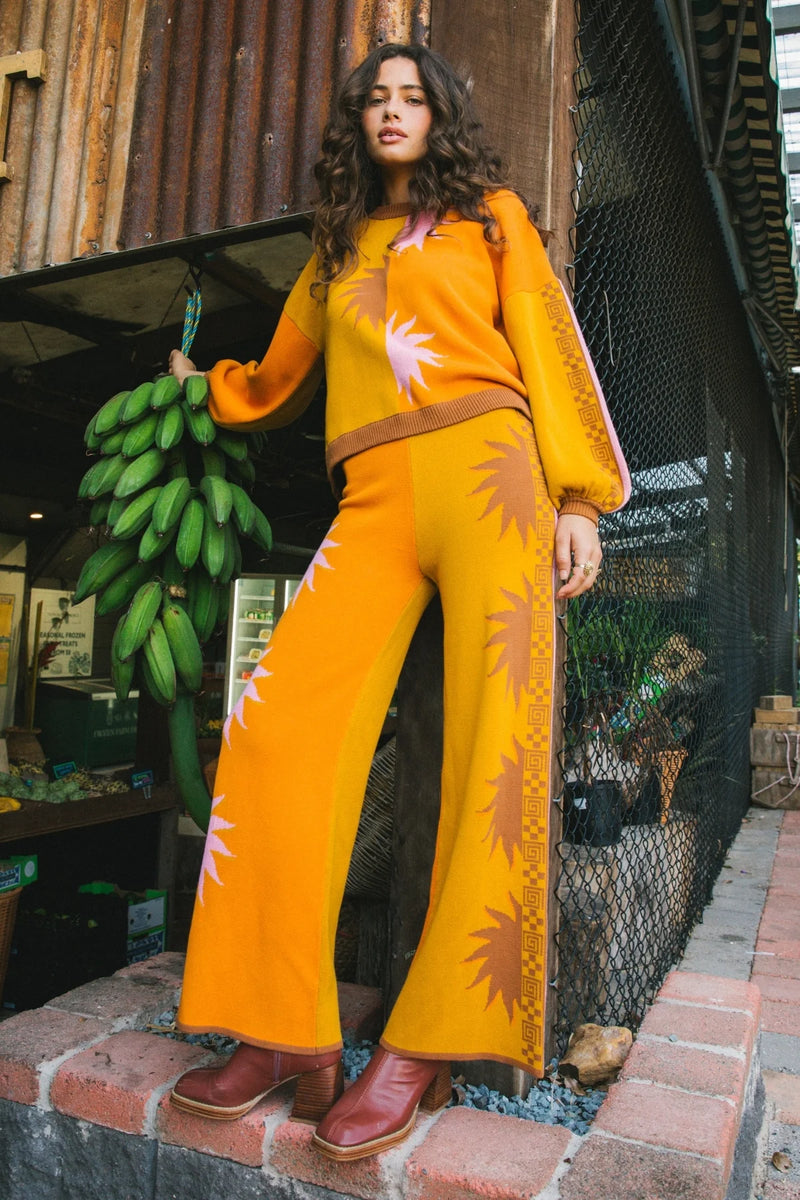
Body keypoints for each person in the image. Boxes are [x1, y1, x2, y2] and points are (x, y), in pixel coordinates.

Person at [167, 42, 630, 1161]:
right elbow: (274, 379)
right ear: (356, 123)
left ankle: (425, 1044)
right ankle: (285, 1029)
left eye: (411, 98)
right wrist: (203, 387)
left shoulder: (490, 219)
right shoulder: (334, 250)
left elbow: (547, 343)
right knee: (273, 728)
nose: (392, 112)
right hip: (371, 494)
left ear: (439, 116)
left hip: (492, 476)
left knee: (494, 752)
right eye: (376, 99)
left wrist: (578, 497)